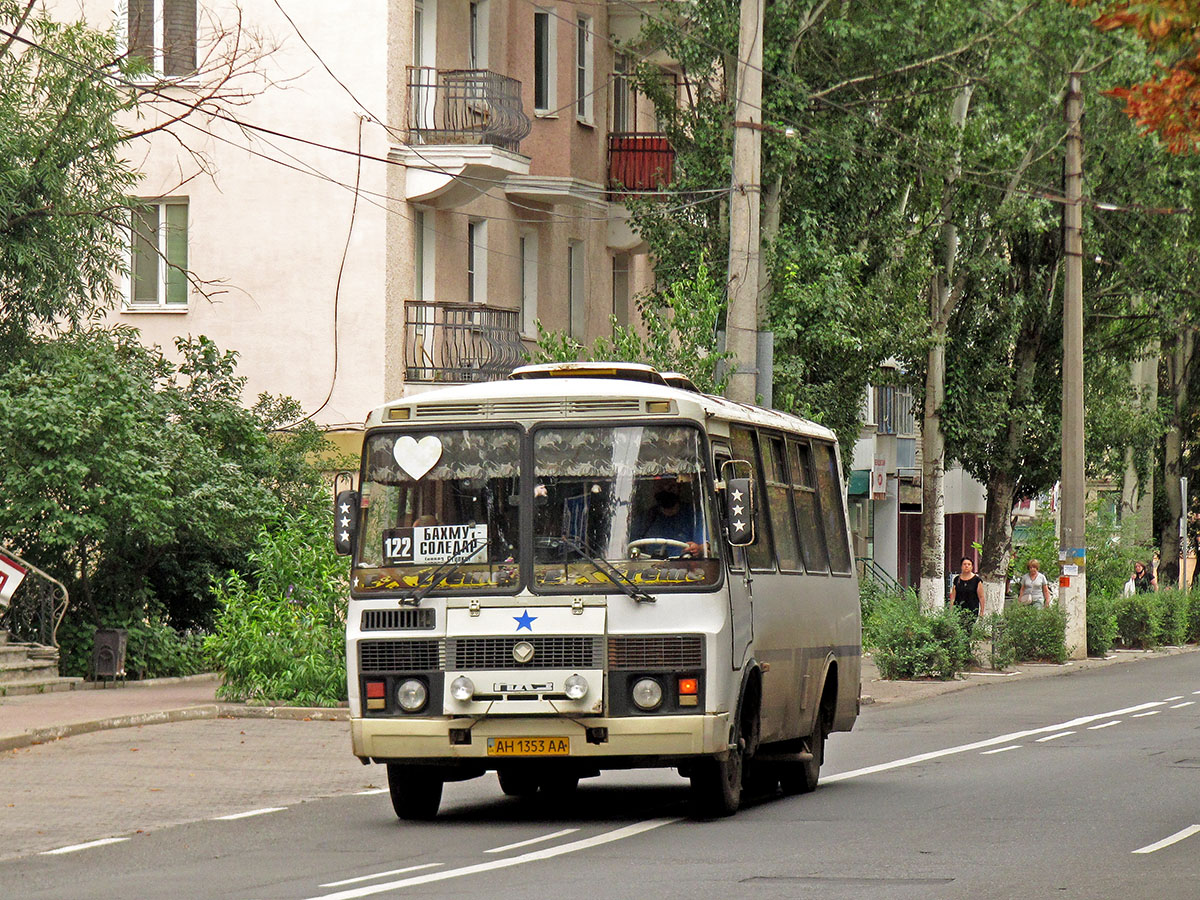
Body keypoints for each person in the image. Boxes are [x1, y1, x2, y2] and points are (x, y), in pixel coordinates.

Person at [634, 486, 706, 557]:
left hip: (687, 566)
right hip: (649, 566)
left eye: (670, 485)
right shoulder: (645, 518)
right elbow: (630, 548)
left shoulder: (694, 515)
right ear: (654, 489)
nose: (665, 488)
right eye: (660, 485)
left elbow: (707, 547)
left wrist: (698, 549)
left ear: (678, 487)